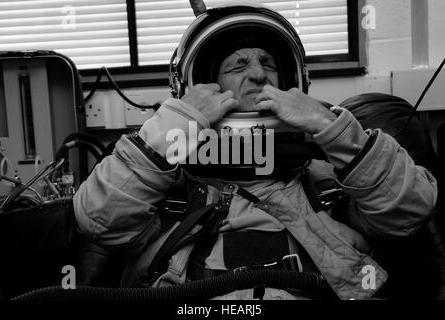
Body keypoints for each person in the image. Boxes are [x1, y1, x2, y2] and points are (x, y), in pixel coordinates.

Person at [73, 3, 438, 300]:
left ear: (292, 82)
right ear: (203, 85)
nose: (259, 75)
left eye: (268, 63)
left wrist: (330, 125)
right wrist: (180, 123)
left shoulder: (328, 178)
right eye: (238, 65)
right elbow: (99, 218)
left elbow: (409, 211)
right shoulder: (165, 181)